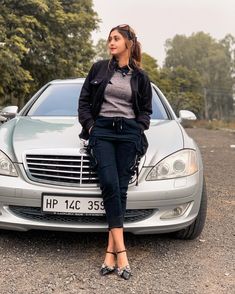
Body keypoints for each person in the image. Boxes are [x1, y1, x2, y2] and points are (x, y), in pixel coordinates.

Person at [78, 24, 152, 280]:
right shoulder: (99, 68)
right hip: (103, 132)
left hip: (129, 134)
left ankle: (110, 253)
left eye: (116, 38)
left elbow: (146, 112)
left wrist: (137, 128)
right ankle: (122, 252)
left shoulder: (140, 77)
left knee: (120, 189)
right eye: (109, 39)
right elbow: (84, 101)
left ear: (128, 43)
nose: (111, 42)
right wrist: (90, 126)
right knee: (109, 183)